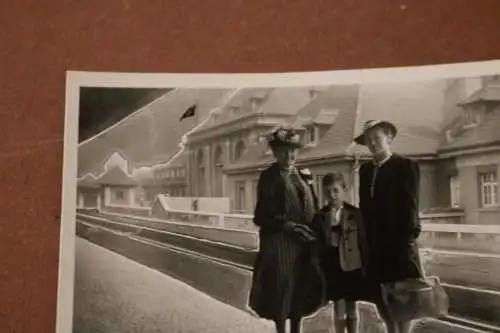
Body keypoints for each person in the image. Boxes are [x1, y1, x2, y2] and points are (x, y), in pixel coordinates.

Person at [248, 126, 326, 333]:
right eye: (282, 151)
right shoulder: (269, 177)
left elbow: (314, 209)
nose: (288, 156)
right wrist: (288, 226)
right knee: (282, 292)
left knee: (301, 290)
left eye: (292, 151)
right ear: (275, 153)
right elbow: (261, 216)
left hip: (304, 244)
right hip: (280, 244)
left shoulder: (302, 176)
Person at [354, 120, 423, 333]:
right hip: (375, 245)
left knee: (403, 297)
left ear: (389, 138)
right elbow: (364, 208)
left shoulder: (405, 166)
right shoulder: (365, 171)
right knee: (381, 297)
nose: (373, 144)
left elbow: (411, 206)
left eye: (377, 138)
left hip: (399, 243)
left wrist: (407, 239)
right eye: (369, 141)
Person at [311, 172, 369, 333]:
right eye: (328, 192)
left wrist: (365, 265)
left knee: (351, 304)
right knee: (338, 304)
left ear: (344, 190)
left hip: (351, 264)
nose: (332, 195)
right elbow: (316, 243)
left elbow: (362, 242)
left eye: (336, 190)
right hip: (332, 264)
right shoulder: (320, 216)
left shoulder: (355, 214)